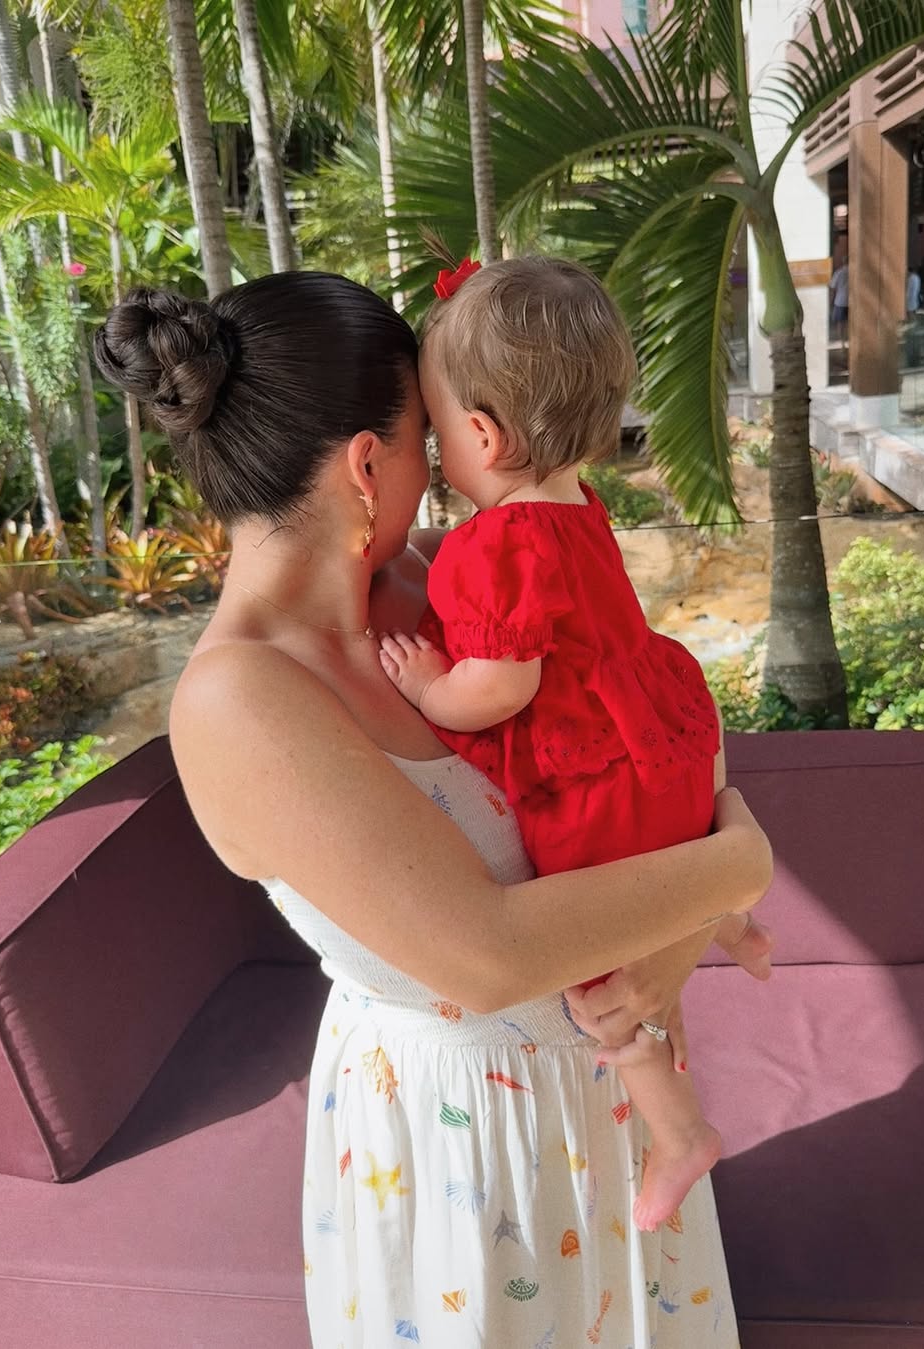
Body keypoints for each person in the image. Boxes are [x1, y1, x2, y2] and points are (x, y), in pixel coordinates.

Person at [94, 273, 772, 1348]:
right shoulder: (240, 699)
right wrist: (738, 866)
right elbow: (491, 954)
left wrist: (676, 948)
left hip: (605, 1096)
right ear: (370, 464)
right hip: (471, 1144)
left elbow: (638, 714)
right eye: (428, 431)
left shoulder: (436, 579)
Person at [378, 255, 773, 1237]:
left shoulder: (493, 544)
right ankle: (727, 919)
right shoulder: (579, 505)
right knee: (677, 861)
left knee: (600, 984)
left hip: (602, 780)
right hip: (664, 742)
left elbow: (501, 686)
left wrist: (429, 685)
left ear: (480, 435)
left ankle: (681, 1131)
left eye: (434, 430)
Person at [830, 260, 849, 338]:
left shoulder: (839, 272)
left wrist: (831, 301)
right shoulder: (854, 271)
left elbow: (833, 287)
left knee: (840, 323)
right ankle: (849, 339)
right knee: (848, 322)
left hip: (840, 301)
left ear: (843, 262)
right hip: (851, 301)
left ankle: (842, 342)